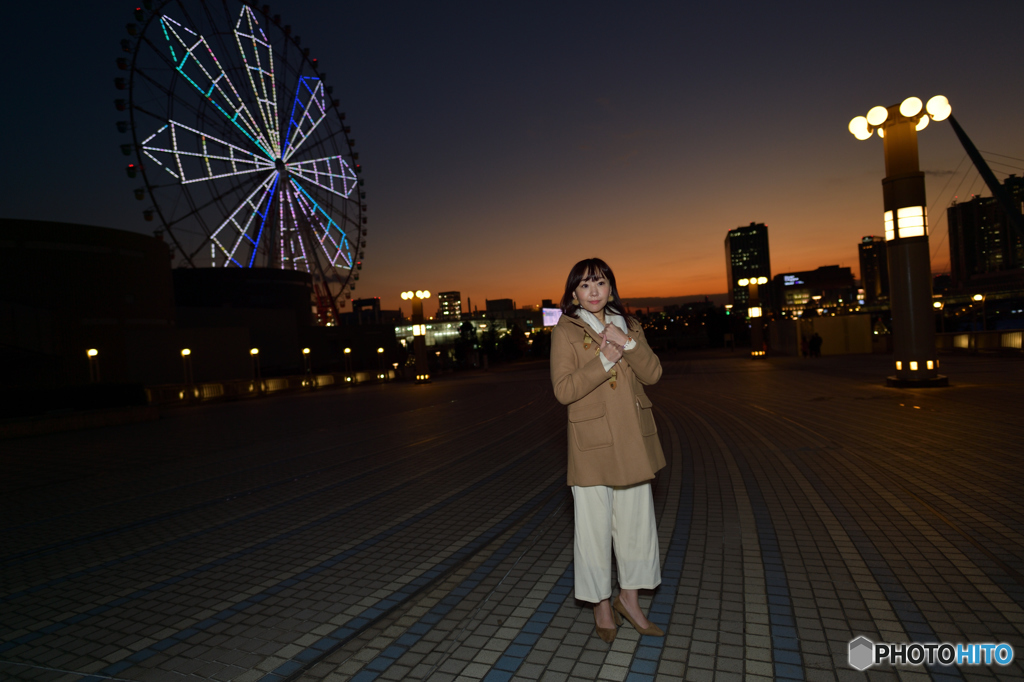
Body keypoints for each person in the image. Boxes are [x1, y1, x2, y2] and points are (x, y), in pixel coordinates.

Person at [549, 257, 666, 643]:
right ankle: (601, 605)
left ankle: (629, 601)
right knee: (593, 531)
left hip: (633, 440)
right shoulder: (565, 330)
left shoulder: (630, 326)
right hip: (593, 445)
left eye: (599, 282)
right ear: (574, 294)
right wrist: (604, 359)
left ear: (611, 288)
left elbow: (653, 374)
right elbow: (563, 390)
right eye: (584, 285)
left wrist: (627, 344)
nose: (593, 291)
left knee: (637, 527)